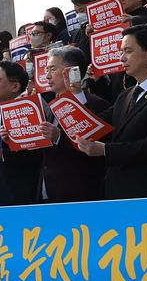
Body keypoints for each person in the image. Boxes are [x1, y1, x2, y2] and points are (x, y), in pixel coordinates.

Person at [76, 24, 147, 199]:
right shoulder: (126, 94)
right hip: (118, 192)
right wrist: (77, 93)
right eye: (121, 52)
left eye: (128, 51)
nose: (122, 58)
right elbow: (98, 123)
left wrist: (106, 150)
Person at [38, 46, 110, 203]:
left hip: (81, 195)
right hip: (48, 193)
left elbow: (91, 146)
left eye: (52, 69)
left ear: (72, 71)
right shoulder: (50, 107)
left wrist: (59, 137)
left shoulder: (97, 105)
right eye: (46, 70)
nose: (47, 75)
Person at [0, 61, 41, 206]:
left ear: (15, 86)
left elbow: (36, 155)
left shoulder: (29, 110)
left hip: (23, 195)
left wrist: (2, 154)